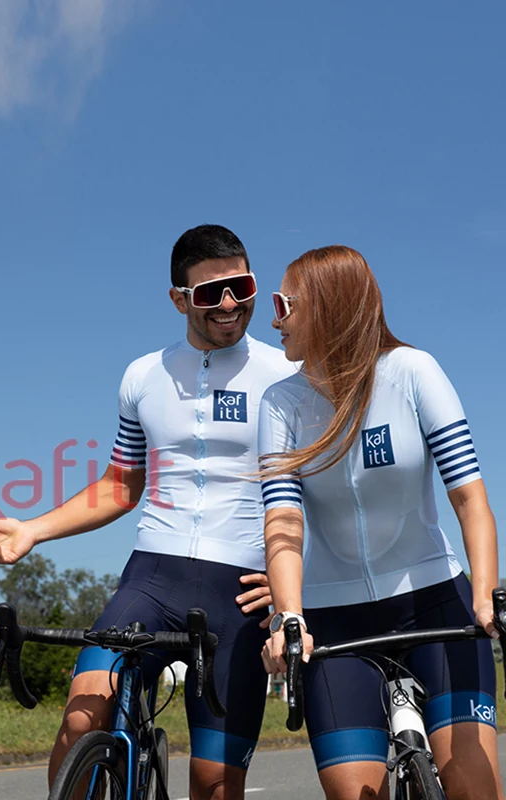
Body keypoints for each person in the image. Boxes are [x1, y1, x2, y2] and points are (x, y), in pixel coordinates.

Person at [0, 224, 296, 799]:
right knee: (81, 719)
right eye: (209, 293)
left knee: (214, 783)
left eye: (241, 287)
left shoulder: (285, 372)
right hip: (152, 578)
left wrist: (294, 583)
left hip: (240, 588)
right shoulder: (143, 376)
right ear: (179, 300)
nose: (229, 304)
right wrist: (33, 530)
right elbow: (121, 484)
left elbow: (318, 489)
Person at [258, 245, 502, 800]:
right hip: (336, 619)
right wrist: (288, 616)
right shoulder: (281, 402)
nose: (275, 320)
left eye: (284, 304)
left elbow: (470, 498)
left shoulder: (413, 371)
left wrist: (486, 596)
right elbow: (284, 521)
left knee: (474, 789)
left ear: (326, 306)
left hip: (433, 601)